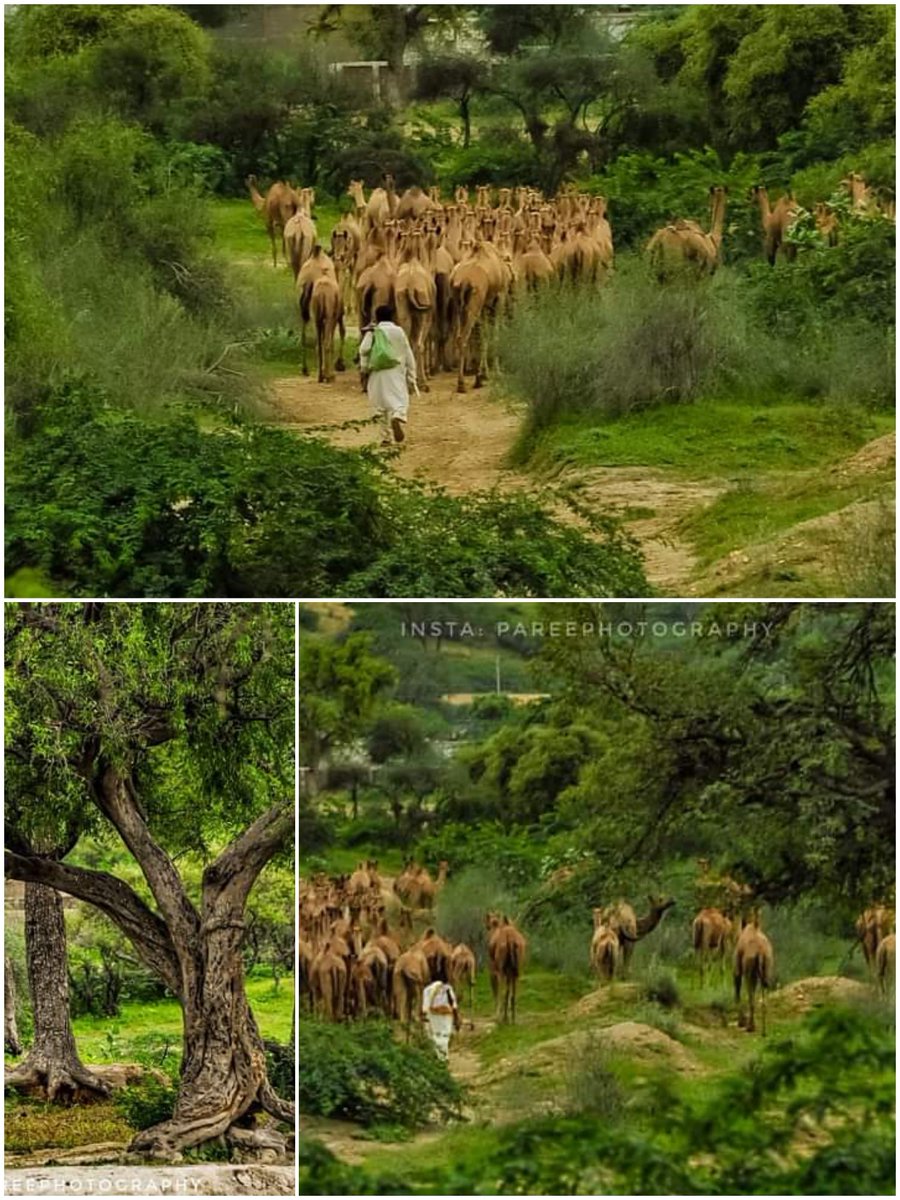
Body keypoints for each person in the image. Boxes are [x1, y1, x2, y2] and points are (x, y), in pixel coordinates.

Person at [358, 304, 417, 445]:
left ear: (377, 317)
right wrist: (411, 376)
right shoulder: (398, 331)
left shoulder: (373, 331)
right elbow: (408, 354)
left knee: (380, 407)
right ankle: (397, 416)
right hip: (396, 372)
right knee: (400, 401)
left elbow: (364, 349)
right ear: (392, 317)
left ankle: (386, 438)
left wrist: (364, 369)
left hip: (377, 373)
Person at [421, 972, 460, 1061]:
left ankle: (438, 1056)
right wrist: (456, 1017)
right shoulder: (448, 989)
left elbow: (425, 1007)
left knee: (435, 1035)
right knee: (445, 1035)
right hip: (446, 1015)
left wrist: (425, 1017)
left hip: (433, 1015)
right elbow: (453, 1005)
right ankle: (444, 1056)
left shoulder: (427, 990)